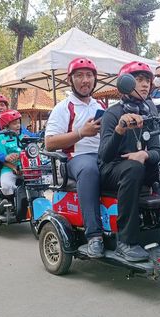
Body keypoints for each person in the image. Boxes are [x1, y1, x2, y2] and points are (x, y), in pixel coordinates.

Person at [99, 61, 160, 262]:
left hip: (138, 166)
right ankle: (126, 242)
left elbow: (157, 151)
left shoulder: (149, 113)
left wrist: (144, 155)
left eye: (147, 80)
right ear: (126, 84)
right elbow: (104, 156)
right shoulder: (112, 114)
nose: (145, 84)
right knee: (133, 169)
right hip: (111, 170)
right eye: (139, 80)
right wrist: (119, 130)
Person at [44, 57, 105, 258]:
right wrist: (81, 132)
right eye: (79, 76)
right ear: (70, 80)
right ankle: (94, 235)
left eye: (89, 75)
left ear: (95, 79)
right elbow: (50, 142)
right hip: (74, 158)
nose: (85, 80)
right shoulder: (63, 108)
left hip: (102, 156)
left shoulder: (101, 106)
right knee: (89, 170)